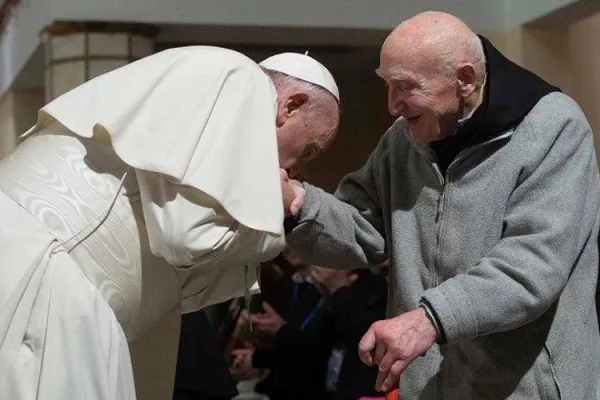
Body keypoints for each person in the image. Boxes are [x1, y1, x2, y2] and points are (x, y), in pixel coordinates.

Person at [282, 11, 600, 399]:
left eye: (406, 87)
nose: (392, 105)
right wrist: (298, 203)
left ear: (464, 80)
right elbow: (363, 227)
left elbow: (533, 264)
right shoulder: (404, 139)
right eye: (387, 84)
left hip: (526, 389)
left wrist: (430, 319)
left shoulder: (554, 128)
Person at [0, 47, 339, 399]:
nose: (299, 168)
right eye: (310, 150)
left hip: (59, 281)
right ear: (290, 106)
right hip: (48, 278)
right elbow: (187, 238)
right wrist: (276, 208)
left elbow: (186, 285)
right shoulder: (241, 80)